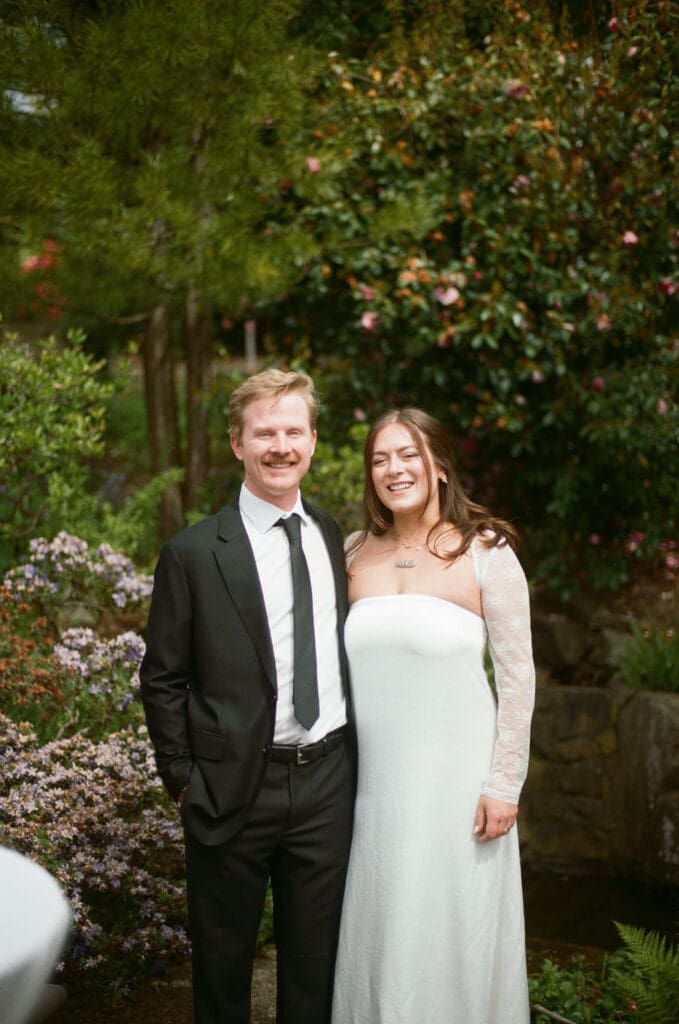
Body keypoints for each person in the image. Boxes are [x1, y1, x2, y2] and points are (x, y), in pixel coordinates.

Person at [140, 369, 354, 1024]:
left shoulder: (332, 535)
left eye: (293, 431)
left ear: (313, 441)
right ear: (237, 443)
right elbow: (162, 679)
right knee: (223, 972)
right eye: (265, 432)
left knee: (314, 972)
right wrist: (183, 783)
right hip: (232, 789)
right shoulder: (194, 553)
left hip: (326, 784)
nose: (280, 445)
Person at [331, 407, 535, 1024]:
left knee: (456, 930)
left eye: (409, 454)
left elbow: (518, 678)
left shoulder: (485, 552)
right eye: (380, 458)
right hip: (374, 789)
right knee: (383, 928)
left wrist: (504, 784)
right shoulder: (351, 554)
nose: (395, 469)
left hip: (460, 791)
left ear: (439, 466)